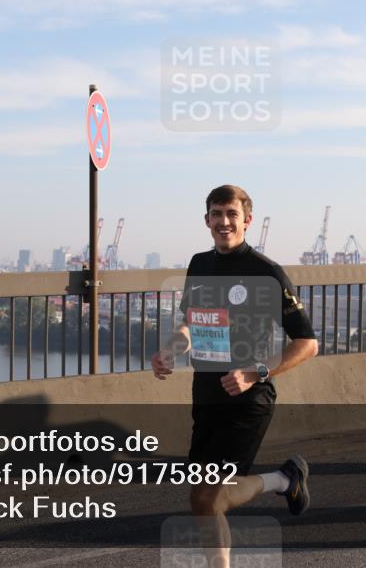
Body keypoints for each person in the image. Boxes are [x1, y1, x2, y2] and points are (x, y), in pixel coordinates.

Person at [152, 185, 319, 568]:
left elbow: (307, 343)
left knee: (210, 498)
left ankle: (281, 482)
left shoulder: (266, 272)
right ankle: (284, 479)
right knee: (202, 498)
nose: (223, 222)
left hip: (249, 398)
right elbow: (191, 325)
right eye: (216, 214)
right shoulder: (200, 264)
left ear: (247, 220)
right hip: (206, 394)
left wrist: (253, 373)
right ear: (206, 220)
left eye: (231, 214)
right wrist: (169, 350)